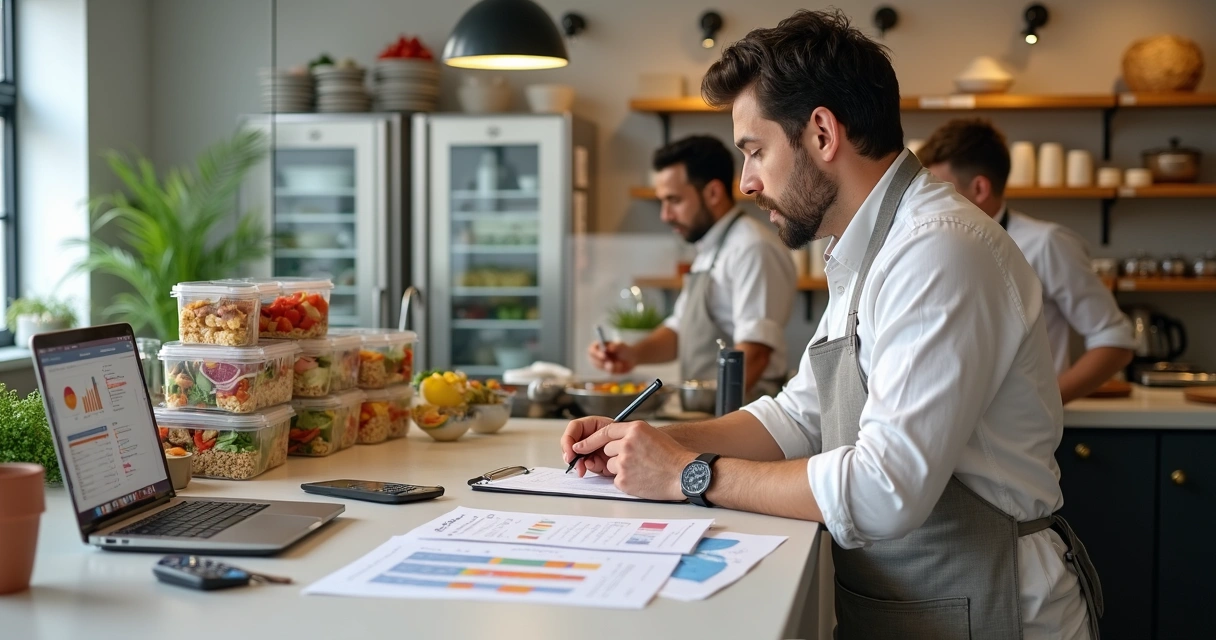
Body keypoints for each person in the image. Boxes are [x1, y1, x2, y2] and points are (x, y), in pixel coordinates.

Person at [562, 10, 1101, 640]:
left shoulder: (938, 248)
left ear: (821, 132)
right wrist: (655, 442)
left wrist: (688, 474)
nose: (746, 181)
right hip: (926, 601)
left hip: (997, 611)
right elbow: (798, 417)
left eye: (755, 150)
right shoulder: (868, 247)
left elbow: (883, 488)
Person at [917, 119, 1135, 403]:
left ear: (980, 189)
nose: (929, 202)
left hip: (1026, 440)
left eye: (941, 190)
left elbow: (1114, 340)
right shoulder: (932, 245)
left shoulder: (1046, 243)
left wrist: (1045, 405)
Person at [588, 135, 796, 399]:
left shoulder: (751, 248)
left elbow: (755, 353)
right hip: (707, 407)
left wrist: (714, 425)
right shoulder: (710, 247)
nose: (665, 215)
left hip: (743, 410)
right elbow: (678, 330)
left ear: (713, 193)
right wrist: (632, 354)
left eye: (674, 200)